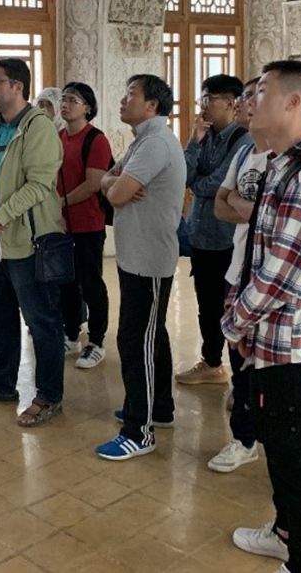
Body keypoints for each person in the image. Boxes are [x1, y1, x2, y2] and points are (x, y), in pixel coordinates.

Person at [224, 61, 301, 573]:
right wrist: (244, 326)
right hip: (271, 341)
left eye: (261, 93)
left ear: (294, 102)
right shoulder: (281, 166)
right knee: (279, 449)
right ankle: (284, 534)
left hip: (294, 345)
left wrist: (234, 323)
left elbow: (280, 275)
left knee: (299, 464)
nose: (247, 103)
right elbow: (260, 257)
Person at [0, 58, 65, 427]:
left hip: (25, 240)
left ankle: (49, 396)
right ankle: (3, 383)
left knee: (41, 320)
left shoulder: (39, 126)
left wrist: (0, 216)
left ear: (17, 86)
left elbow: (40, 183)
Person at [94, 74, 186, 460]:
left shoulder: (156, 143)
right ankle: (158, 407)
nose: (123, 100)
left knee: (136, 342)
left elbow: (115, 193)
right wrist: (113, 183)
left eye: (131, 94)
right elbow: (108, 181)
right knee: (151, 335)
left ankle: (139, 430)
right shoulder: (143, 141)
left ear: (152, 105)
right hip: (137, 256)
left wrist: (114, 185)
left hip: (149, 259)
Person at [207, 77, 269, 473]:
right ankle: (244, 439)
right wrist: (249, 207)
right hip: (238, 269)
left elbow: (269, 216)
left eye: (254, 95)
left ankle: (263, 431)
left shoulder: (286, 158)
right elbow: (219, 204)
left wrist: (242, 204)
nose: (245, 103)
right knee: (238, 355)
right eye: (245, 96)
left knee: (266, 365)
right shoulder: (246, 151)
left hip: (269, 277)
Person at [177, 74, 249, 386]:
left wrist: (197, 183)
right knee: (206, 306)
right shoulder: (204, 136)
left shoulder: (243, 140)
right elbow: (184, 175)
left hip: (227, 239)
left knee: (231, 307)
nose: (203, 105)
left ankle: (242, 380)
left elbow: (218, 184)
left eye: (210, 99)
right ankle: (211, 362)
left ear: (231, 104)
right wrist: (194, 140)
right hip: (201, 235)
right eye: (202, 98)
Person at [56, 82, 112, 369]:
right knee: (66, 282)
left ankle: (97, 341)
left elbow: (93, 184)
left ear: (87, 107)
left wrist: (59, 203)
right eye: (64, 99)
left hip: (88, 223)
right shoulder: (58, 137)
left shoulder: (96, 139)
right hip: (61, 223)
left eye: (73, 100)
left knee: (91, 284)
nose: (65, 104)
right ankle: (71, 334)